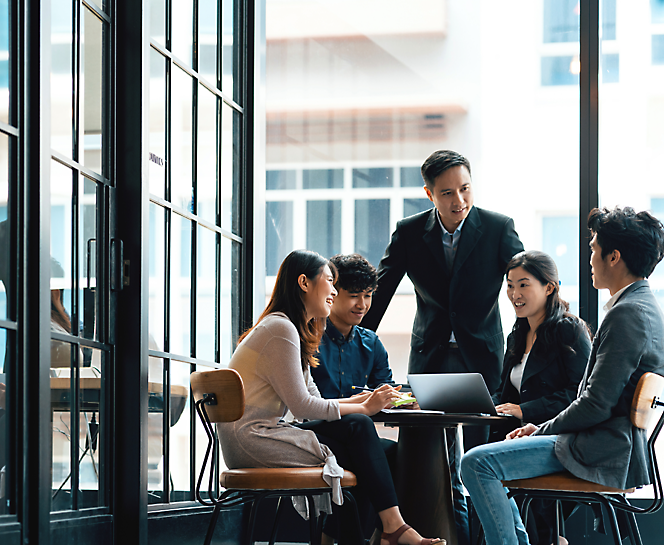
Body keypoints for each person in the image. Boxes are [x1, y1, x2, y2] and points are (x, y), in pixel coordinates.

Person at [460, 206, 664, 545]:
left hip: (601, 448)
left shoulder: (627, 314)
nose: (590, 259)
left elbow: (595, 404)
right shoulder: (644, 307)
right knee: (486, 457)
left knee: (476, 464)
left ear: (613, 257)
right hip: (609, 443)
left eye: (594, 249)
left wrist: (538, 429)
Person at [218, 250, 443, 545]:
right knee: (361, 433)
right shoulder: (281, 329)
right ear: (304, 283)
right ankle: (391, 529)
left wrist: (367, 402)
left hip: (264, 435)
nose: (334, 292)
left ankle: (373, 533)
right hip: (254, 440)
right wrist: (364, 406)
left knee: (370, 446)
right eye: (329, 282)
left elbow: (312, 395)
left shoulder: (292, 329)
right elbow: (303, 406)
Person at [361, 150, 524, 545]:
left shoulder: (498, 227)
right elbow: (379, 293)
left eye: (465, 189)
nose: (459, 201)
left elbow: (527, 279)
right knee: (434, 463)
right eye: (447, 193)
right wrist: (355, 344)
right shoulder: (410, 231)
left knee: (481, 461)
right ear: (429, 194)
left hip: (482, 358)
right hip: (431, 357)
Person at [491, 250, 591, 544]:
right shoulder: (517, 334)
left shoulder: (568, 330)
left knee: (485, 465)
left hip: (558, 437)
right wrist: (482, 405)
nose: (514, 294)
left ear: (549, 287)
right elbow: (506, 393)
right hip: (520, 434)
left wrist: (525, 411)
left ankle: (540, 539)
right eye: (510, 285)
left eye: (523, 284)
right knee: (478, 458)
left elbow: (580, 393)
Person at [312, 253, 395, 399]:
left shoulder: (371, 343)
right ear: (331, 293)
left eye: (368, 296)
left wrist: (400, 399)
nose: (362, 305)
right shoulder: (307, 338)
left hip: (357, 420)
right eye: (354, 296)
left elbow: (386, 389)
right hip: (315, 419)